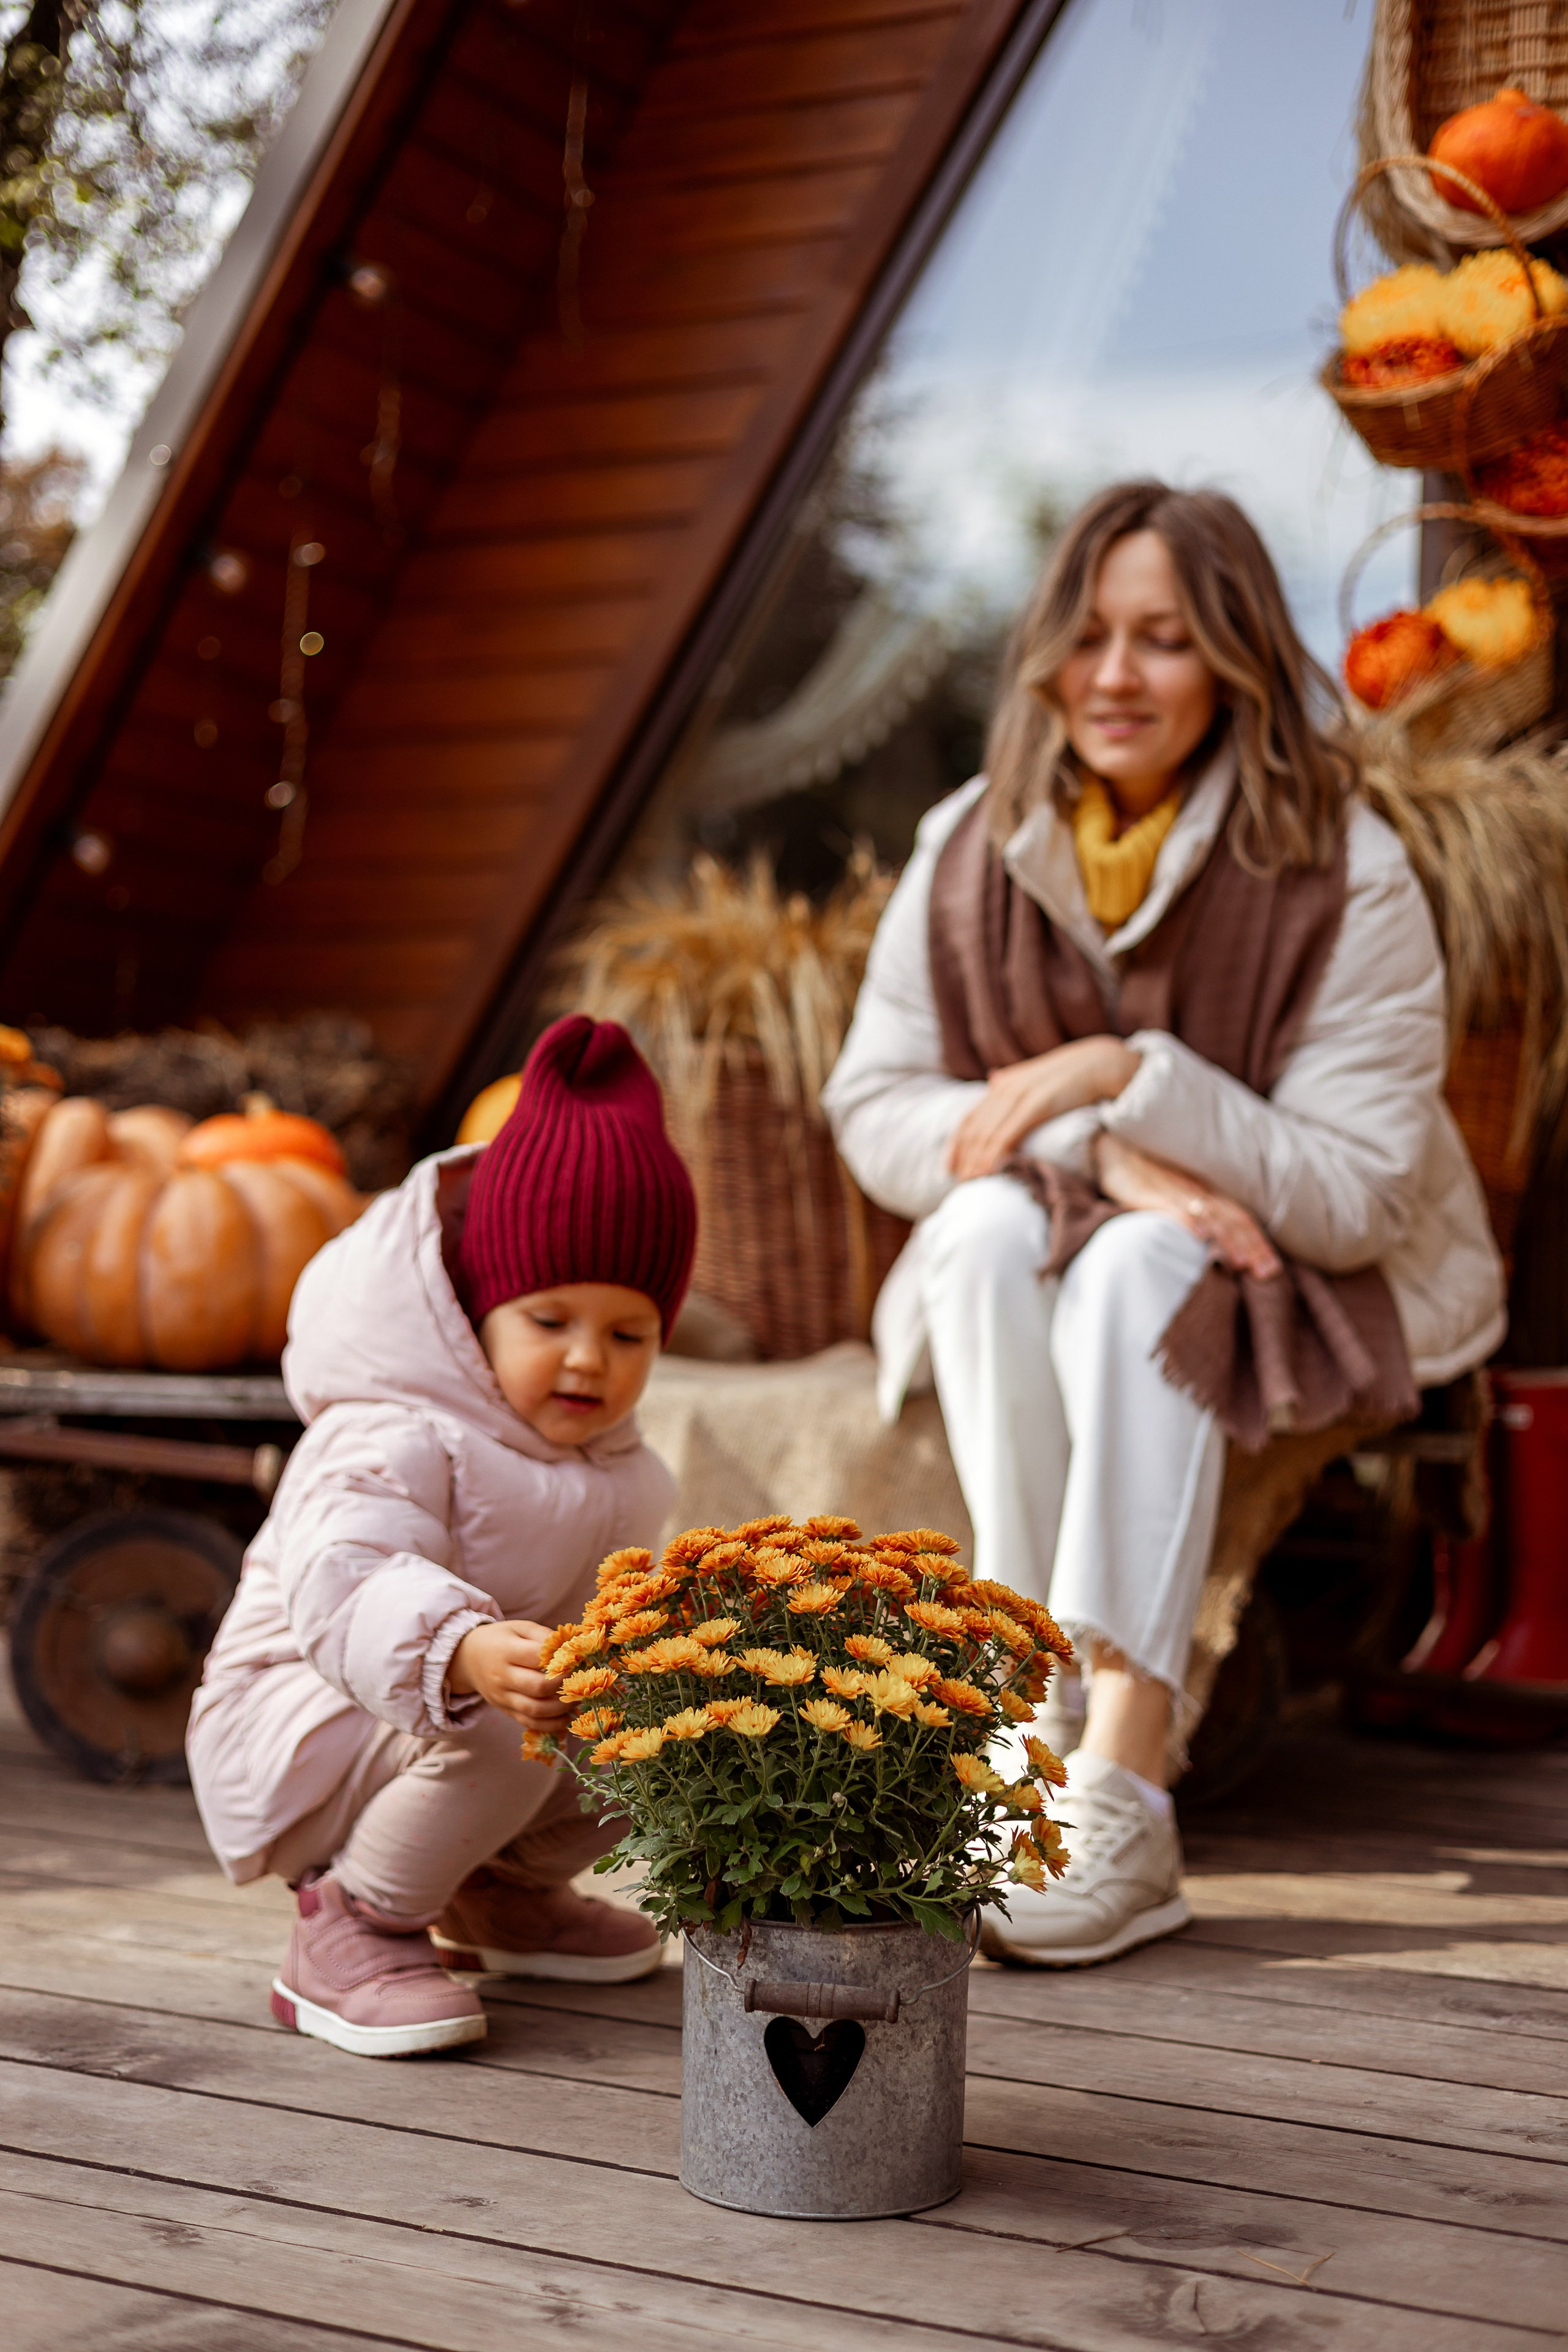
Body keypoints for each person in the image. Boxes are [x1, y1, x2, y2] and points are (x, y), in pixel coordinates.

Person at [822, 480, 1505, 1967]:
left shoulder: (1346, 866)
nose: (1114, 676)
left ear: (1237, 661)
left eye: (1164, 639)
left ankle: (1125, 1784)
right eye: (1087, 636)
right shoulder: (968, 842)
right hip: (1035, 1237)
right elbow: (874, 1110)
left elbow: (1352, 1193)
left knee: (1140, 1257)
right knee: (985, 1235)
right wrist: (1092, 1141)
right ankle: (1019, 1723)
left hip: (1291, 1263)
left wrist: (1126, 1074)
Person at [187, 1015, 696, 2056]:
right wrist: (461, 1648)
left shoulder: (622, 1467)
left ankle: (496, 1893)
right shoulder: (393, 1429)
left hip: (441, 1726)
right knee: (515, 1728)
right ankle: (354, 1925)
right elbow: (346, 1576)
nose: (589, 1360)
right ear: (478, 1310)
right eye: (549, 1321)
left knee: (656, 1711)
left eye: (628, 1333)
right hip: (294, 1722)